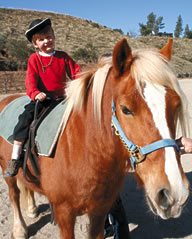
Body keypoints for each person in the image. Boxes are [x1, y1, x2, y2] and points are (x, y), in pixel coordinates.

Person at [4, 18, 81, 177]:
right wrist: (36, 94)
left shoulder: (63, 56)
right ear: (35, 44)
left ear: (54, 36)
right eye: (41, 39)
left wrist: (80, 85)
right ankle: (15, 157)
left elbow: (76, 73)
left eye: (49, 37)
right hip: (42, 99)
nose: (46, 41)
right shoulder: (34, 59)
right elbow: (30, 82)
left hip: (62, 99)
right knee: (24, 120)